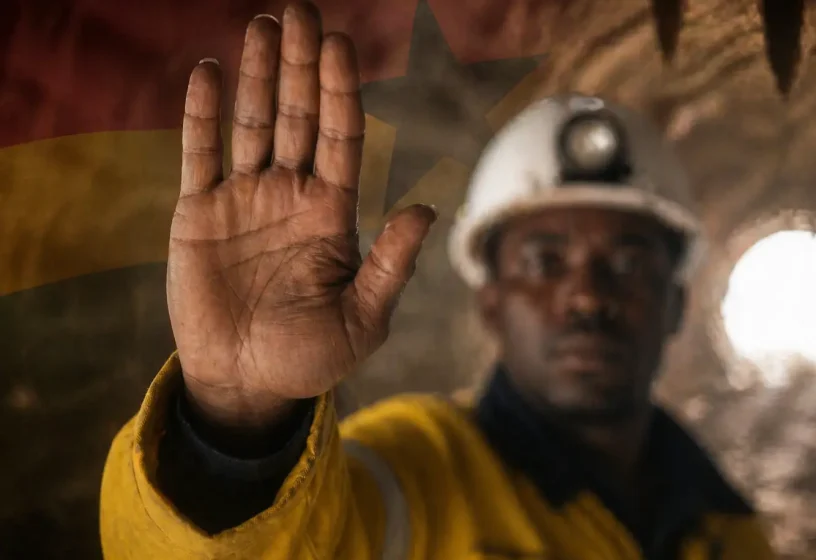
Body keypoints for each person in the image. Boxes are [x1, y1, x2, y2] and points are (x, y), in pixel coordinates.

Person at [100, 2, 775, 558]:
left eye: (628, 263)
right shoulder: (412, 473)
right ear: (490, 299)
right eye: (544, 260)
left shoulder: (737, 535)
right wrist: (236, 418)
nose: (587, 296)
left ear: (679, 301)